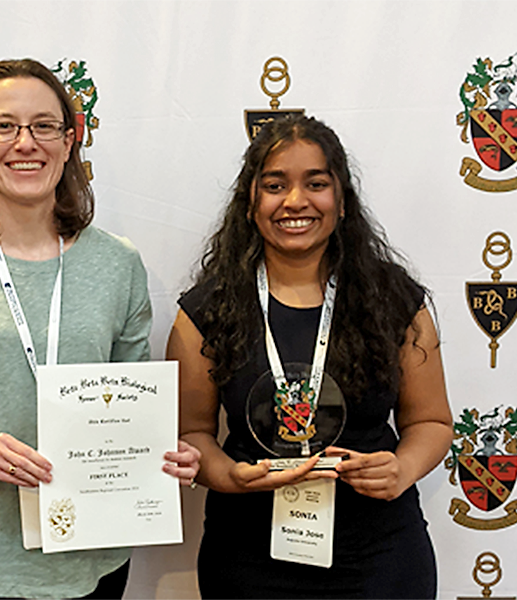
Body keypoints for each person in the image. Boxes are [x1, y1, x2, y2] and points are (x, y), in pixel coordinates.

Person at [0, 58, 200, 600]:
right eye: (4, 126)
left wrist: (162, 453)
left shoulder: (119, 264)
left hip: (91, 562)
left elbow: (129, 404)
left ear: (70, 141)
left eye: (44, 126)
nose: (25, 142)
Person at [167, 114, 452, 599]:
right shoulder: (206, 310)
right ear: (251, 202)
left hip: (379, 557)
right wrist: (231, 477)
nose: (295, 201)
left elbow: (432, 423)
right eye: (275, 185)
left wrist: (402, 468)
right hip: (249, 557)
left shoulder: (394, 301)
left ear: (341, 201)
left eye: (315, 183)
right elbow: (193, 433)